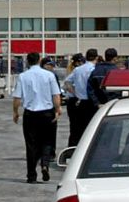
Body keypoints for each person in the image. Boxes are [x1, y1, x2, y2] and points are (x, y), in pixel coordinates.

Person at [11, 52, 61, 183]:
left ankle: (31, 175)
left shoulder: (22, 76)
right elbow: (56, 95)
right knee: (47, 141)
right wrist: (58, 109)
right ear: (39, 60)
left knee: (31, 145)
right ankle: (45, 164)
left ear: (27, 62)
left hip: (30, 114)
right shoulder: (49, 75)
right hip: (47, 113)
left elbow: (17, 98)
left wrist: (15, 112)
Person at [63, 54, 96, 148]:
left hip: (77, 101)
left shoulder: (77, 70)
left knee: (75, 130)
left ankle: (72, 151)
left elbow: (67, 82)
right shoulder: (94, 69)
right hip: (89, 102)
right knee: (89, 128)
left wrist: (75, 93)